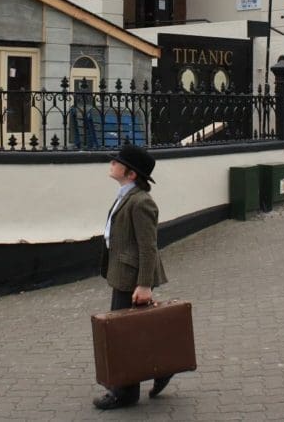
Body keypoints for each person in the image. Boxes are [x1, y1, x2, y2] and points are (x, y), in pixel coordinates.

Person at [93, 144, 170, 410]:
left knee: (121, 335)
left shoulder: (141, 202)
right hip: (122, 272)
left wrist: (145, 284)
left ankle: (125, 393)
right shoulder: (125, 195)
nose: (112, 162)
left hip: (132, 277)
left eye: (117, 161)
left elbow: (148, 246)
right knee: (135, 331)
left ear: (132, 174)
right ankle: (163, 365)